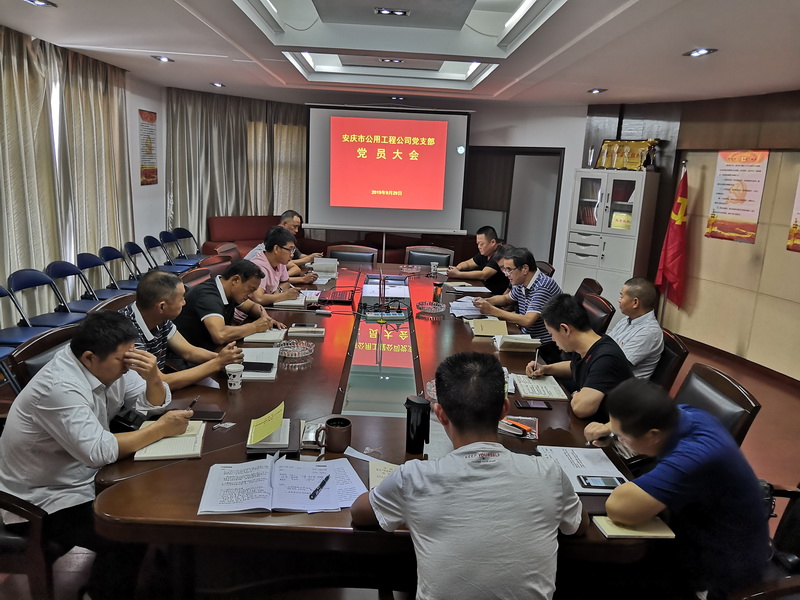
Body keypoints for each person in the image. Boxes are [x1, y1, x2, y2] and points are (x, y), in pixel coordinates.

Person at [351, 352, 587, 600]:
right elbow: (578, 525)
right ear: (504, 409)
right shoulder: (549, 473)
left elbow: (360, 512)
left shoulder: (413, 477)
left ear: (440, 414)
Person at [0, 311, 192, 600]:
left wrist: (153, 376)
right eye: (123, 358)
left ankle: (164, 573)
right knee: (128, 531)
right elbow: (98, 451)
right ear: (89, 358)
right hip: (42, 499)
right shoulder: (59, 387)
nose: (129, 365)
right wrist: (161, 429)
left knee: (158, 495)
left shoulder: (108, 364)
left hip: (81, 475)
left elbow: (149, 405)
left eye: (133, 354)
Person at [584, 378, 770, 599]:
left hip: (717, 571)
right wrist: (612, 427)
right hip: (688, 531)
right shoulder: (687, 415)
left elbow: (619, 509)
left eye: (622, 437)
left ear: (653, 435)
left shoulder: (695, 457)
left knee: (590, 576)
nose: (618, 439)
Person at [120, 269, 243, 390]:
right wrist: (217, 363)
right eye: (181, 298)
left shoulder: (158, 316)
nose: (184, 302)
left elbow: (188, 351)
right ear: (162, 306)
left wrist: (223, 357)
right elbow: (159, 382)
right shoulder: (126, 333)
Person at [526, 294, 632, 422]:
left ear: (565, 329)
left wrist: (575, 394)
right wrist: (545, 369)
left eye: (552, 334)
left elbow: (581, 409)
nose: (553, 339)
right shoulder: (587, 343)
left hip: (610, 428)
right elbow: (574, 366)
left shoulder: (606, 358)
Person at [173, 259, 282, 352]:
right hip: (190, 359)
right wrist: (255, 327)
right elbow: (220, 335)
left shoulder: (229, 290)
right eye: (250, 289)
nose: (251, 295)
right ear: (235, 280)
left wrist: (265, 318)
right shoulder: (208, 296)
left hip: (211, 350)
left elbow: (252, 306)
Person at [473, 246, 562, 342]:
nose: (506, 274)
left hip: (544, 343)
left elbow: (527, 321)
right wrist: (486, 301)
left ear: (525, 269)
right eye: (505, 269)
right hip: (526, 334)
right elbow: (506, 298)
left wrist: (491, 310)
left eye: (509, 270)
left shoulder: (542, 286)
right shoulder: (522, 282)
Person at [607, 277, 664, 379]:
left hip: (620, 384)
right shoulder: (627, 319)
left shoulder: (649, 332)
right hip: (609, 375)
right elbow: (605, 343)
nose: (619, 300)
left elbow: (614, 364)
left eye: (622, 296)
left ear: (635, 302)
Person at [244, 210, 320, 283]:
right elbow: (260, 292)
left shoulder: (285, 246)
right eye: (294, 226)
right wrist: (308, 259)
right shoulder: (263, 258)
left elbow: (294, 268)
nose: (296, 230)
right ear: (276, 249)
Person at [248, 226, 303, 306]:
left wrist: (278, 291)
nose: (292, 254)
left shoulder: (280, 262)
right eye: (290, 249)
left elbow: (286, 283)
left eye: (293, 250)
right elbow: (258, 298)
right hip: (250, 312)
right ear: (276, 249)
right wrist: (284, 295)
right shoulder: (258, 266)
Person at [446, 225, 509, 295]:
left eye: (481, 244)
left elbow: (484, 274)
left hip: (496, 295)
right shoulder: (486, 252)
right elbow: (468, 263)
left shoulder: (500, 254)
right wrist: (458, 268)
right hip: (484, 289)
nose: (479, 247)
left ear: (493, 242)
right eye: (478, 244)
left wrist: (458, 274)